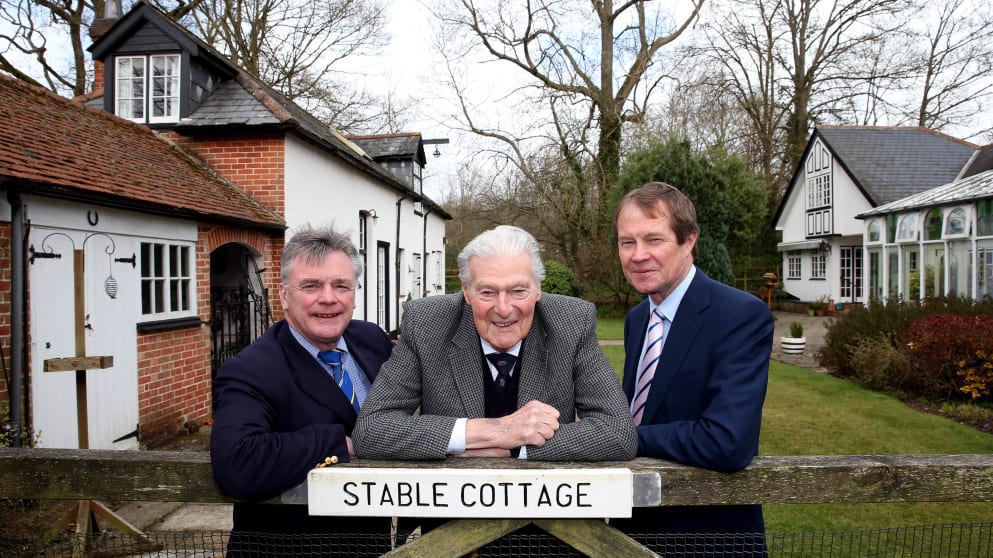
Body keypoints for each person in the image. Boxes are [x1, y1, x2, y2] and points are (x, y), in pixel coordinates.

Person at [353, 224, 636, 462]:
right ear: (466, 291)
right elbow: (371, 430)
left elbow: (618, 433)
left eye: (518, 290)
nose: (503, 308)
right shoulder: (427, 323)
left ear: (538, 289)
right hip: (450, 515)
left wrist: (516, 447)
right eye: (487, 292)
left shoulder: (571, 322)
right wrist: (492, 432)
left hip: (546, 519)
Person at [210, 224, 394, 557]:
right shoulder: (250, 370)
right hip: (288, 550)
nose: (328, 298)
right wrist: (344, 443)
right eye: (311, 286)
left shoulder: (373, 341)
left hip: (371, 545)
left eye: (341, 285)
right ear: (283, 295)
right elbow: (237, 462)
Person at [611, 182, 773, 557]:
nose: (638, 255)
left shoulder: (740, 315)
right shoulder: (638, 319)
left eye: (654, 240)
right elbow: (641, 405)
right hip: (631, 535)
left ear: (689, 240)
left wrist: (619, 436)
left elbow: (727, 442)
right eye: (626, 242)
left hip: (708, 538)